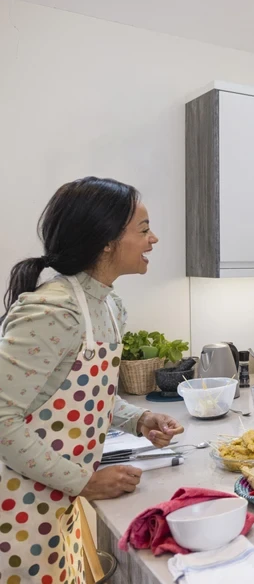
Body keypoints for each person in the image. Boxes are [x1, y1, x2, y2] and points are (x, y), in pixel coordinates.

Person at [0, 177, 183, 584]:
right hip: (15, 501)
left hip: (56, 495)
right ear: (105, 241)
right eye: (142, 229)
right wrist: (84, 480)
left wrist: (138, 419)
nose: (154, 239)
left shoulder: (110, 306)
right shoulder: (53, 310)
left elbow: (83, 394)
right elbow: (2, 420)